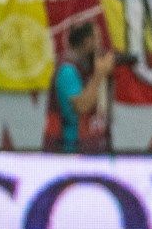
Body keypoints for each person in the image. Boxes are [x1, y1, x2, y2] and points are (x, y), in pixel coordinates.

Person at [48, 22, 113, 154]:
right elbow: (82, 107)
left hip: (91, 147)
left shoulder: (86, 69)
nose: (101, 45)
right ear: (87, 41)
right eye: (98, 38)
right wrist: (99, 75)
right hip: (69, 149)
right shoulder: (67, 71)